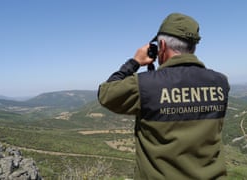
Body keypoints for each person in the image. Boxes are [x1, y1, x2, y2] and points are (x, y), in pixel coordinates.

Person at [98, 12, 229, 180]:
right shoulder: (220, 82)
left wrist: (134, 62)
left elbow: (106, 93)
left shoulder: (145, 85)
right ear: (193, 46)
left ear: (162, 45)